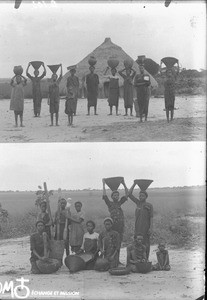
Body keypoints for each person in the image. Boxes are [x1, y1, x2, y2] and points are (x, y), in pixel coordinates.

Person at [102, 178, 128, 263]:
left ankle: (117, 259)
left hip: (120, 226)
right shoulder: (109, 204)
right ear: (112, 197)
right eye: (114, 195)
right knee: (112, 243)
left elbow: (127, 194)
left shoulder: (120, 203)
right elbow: (104, 195)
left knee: (118, 243)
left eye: (117, 195)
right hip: (113, 227)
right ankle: (111, 259)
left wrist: (124, 184)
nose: (116, 197)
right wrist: (104, 184)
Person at [128, 182, 153, 259]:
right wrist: (134, 184)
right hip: (137, 227)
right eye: (139, 195)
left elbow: (151, 217)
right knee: (136, 242)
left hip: (146, 227)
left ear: (146, 197)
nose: (140, 197)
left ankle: (146, 259)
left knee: (146, 243)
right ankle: (137, 259)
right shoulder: (137, 203)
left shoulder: (149, 205)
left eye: (142, 196)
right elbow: (129, 194)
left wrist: (151, 228)